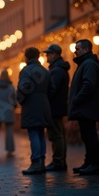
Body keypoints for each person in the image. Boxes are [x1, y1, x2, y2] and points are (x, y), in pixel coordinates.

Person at [68, 39, 99, 175]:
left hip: (86, 107)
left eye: (77, 49)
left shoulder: (88, 64)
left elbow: (88, 85)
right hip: (85, 107)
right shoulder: (85, 63)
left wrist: (76, 100)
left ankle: (94, 164)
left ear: (86, 49)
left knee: (90, 136)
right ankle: (89, 162)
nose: (75, 51)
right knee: (87, 136)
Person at [17, 47, 52, 175]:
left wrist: (20, 99)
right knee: (41, 133)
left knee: (33, 133)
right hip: (44, 105)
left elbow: (24, 87)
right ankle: (41, 162)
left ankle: (35, 162)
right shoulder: (45, 71)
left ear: (27, 57)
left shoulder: (26, 71)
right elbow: (51, 88)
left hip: (31, 105)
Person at [43, 44, 70, 172]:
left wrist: (44, 97)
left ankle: (58, 161)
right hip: (57, 106)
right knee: (58, 134)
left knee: (56, 135)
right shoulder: (57, 69)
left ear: (54, 54)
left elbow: (51, 89)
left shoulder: (57, 70)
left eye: (48, 54)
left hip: (54, 107)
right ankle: (59, 161)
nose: (46, 56)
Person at [0, 69, 17, 158]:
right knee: (9, 131)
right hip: (8, 110)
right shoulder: (11, 87)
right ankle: (9, 150)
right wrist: (13, 106)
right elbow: (14, 99)